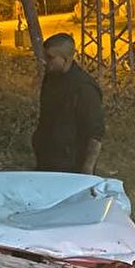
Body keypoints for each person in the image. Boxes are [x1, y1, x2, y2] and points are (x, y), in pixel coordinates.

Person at [32, 32, 105, 174]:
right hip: (47, 159)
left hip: (71, 165)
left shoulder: (84, 88)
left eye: (50, 58)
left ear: (65, 59)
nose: (45, 61)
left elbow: (95, 133)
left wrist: (87, 169)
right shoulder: (51, 78)